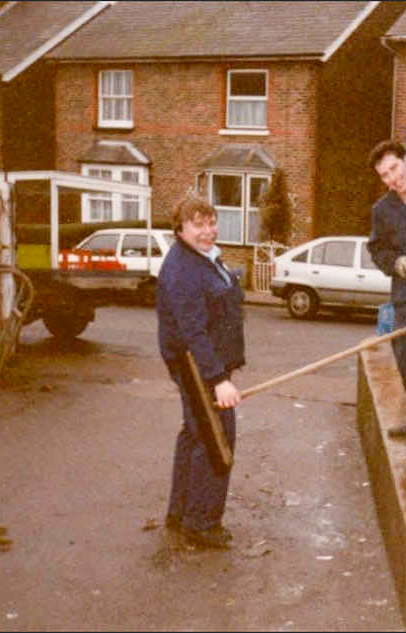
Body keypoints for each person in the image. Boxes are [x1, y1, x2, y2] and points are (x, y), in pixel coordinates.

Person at [157, 193, 245, 549]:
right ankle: (202, 523)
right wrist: (217, 380)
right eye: (198, 224)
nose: (207, 230)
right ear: (180, 228)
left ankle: (181, 513)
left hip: (205, 363)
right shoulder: (183, 269)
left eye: (211, 222)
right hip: (197, 365)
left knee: (194, 434)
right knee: (215, 441)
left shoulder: (202, 258)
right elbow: (193, 331)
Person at [367, 139, 406, 393]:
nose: (393, 178)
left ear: (405, 160)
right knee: (404, 358)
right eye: (385, 175)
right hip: (405, 298)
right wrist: (396, 263)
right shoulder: (382, 210)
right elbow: (377, 249)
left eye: (395, 168)